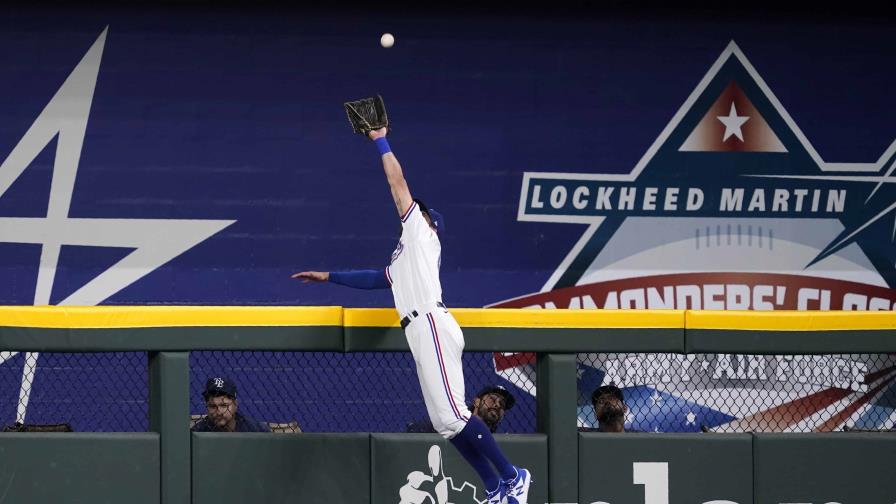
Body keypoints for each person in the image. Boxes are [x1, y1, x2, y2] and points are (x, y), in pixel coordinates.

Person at [292, 126, 531, 504]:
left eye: (414, 209)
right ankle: (495, 488)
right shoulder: (404, 256)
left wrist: (379, 139)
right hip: (421, 331)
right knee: (444, 424)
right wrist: (328, 277)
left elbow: (397, 181)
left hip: (431, 323)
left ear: (427, 220)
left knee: (454, 415)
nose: (406, 208)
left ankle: (513, 475)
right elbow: (378, 278)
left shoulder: (421, 231)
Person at [406, 384, 516, 434]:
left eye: (502, 404)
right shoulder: (451, 422)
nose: (497, 405)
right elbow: (413, 431)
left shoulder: (499, 443)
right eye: (492, 399)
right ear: (476, 402)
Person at [191, 377, 271, 433]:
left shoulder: (255, 430)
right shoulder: (198, 432)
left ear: (235, 405)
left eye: (224, 405)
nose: (219, 412)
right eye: (212, 406)